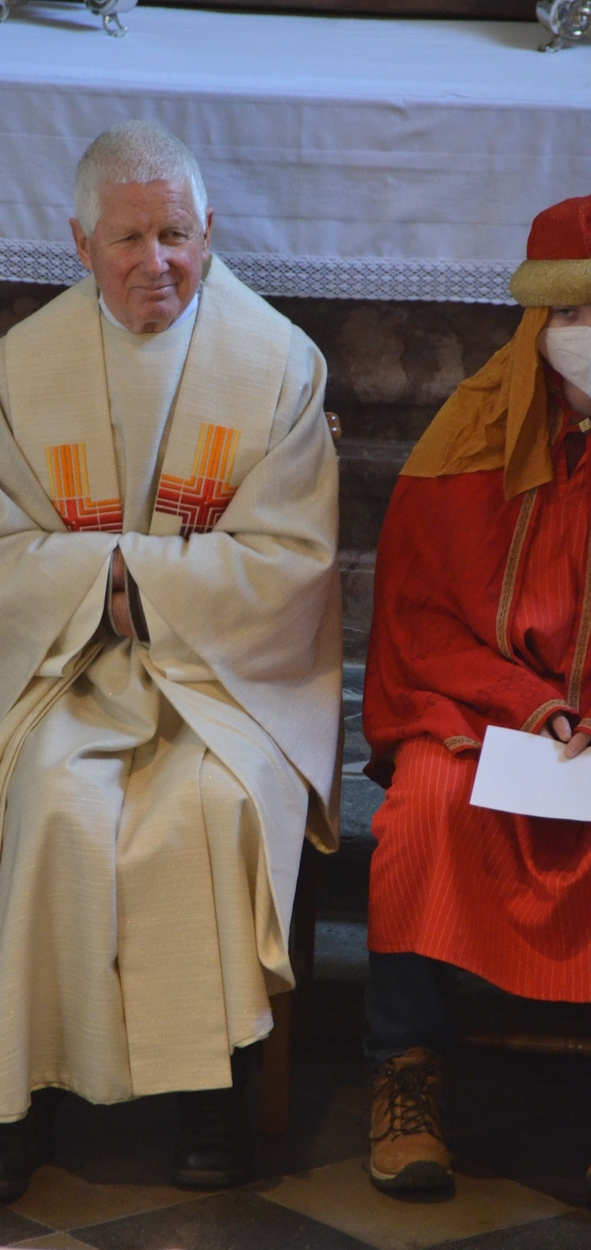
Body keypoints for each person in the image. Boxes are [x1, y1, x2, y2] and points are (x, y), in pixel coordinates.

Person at [0, 120, 342, 1199]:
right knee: (49, 799)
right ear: (80, 243)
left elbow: (294, 561)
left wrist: (135, 582)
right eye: (127, 238)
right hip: (63, 669)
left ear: (210, 230)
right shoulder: (22, 370)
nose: (156, 261)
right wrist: (99, 586)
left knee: (209, 805)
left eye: (176, 234)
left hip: (221, 679)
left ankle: (213, 1094)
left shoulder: (277, 365)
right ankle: (12, 1096)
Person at [362, 193, 591, 1195]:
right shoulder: (472, 432)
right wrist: (523, 699)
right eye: (571, 315)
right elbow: (419, 617)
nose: (589, 336)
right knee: (423, 808)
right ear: (535, 321)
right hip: (486, 712)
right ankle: (404, 1069)